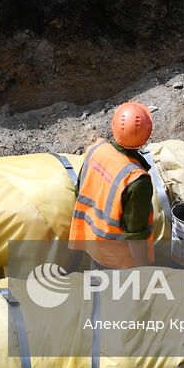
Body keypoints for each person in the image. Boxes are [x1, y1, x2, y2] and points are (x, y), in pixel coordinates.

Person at [68, 102, 157, 269]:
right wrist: (144, 269)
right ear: (147, 135)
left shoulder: (96, 150)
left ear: (113, 126)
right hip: (119, 261)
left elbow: (79, 190)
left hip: (91, 243)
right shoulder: (137, 180)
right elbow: (135, 235)